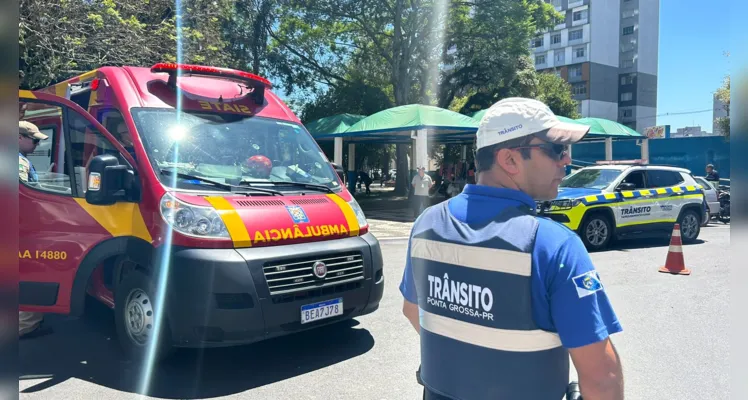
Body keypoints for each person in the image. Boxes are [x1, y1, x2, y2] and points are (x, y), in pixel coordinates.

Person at [399, 97, 624, 400]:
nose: (566, 160)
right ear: (510, 160)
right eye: (556, 149)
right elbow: (602, 379)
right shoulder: (553, 246)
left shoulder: (426, 225)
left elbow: (413, 311)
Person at [19, 120, 50, 338]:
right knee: (34, 271)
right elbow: (22, 195)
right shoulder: (18, 162)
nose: (37, 145)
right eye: (34, 140)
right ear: (18, 138)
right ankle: (24, 327)